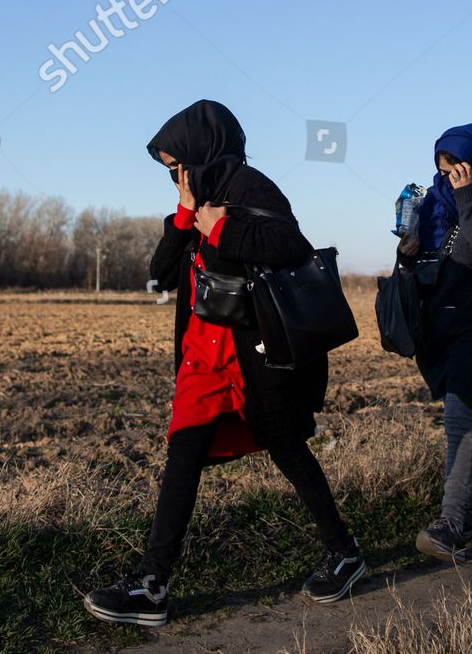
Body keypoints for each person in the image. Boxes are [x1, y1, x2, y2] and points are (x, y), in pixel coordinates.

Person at [83, 100, 365, 628]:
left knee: (287, 449)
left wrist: (219, 229)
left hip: (252, 356)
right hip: (201, 359)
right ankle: (152, 584)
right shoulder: (199, 201)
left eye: (178, 166)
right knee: (182, 457)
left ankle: (344, 552)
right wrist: (188, 219)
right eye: (169, 170)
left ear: (203, 152)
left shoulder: (250, 187)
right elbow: (162, 275)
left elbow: (287, 244)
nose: (176, 177)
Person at [396, 124, 472, 562]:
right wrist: (406, 255)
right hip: (437, 327)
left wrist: (468, 196)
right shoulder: (431, 205)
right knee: (461, 412)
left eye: (457, 168)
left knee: (458, 416)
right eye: (443, 170)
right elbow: (423, 266)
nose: (449, 178)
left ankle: (451, 523)